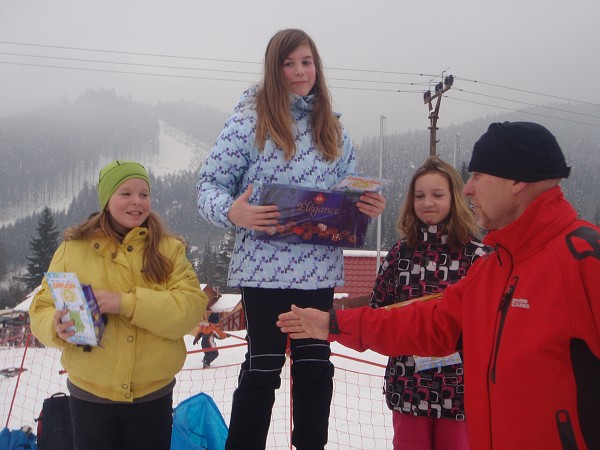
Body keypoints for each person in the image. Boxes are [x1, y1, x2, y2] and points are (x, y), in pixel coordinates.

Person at [278, 121, 600, 450]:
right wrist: (331, 322)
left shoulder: (585, 259)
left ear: (516, 180)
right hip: (411, 394)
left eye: (478, 175)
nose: (469, 188)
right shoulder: (494, 268)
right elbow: (426, 323)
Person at [196, 28, 385, 450]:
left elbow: (344, 201)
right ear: (274, 68)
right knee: (262, 368)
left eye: (306, 62)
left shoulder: (332, 130)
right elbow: (208, 185)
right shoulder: (250, 121)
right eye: (289, 63)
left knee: (315, 368)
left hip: (317, 269)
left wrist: (364, 207)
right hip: (262, 270)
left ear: (317, 67)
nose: (299, 72)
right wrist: (234, 211)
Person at [30, 160, 208, 450]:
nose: (137, 201)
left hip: (152, 397)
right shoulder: (73, 249)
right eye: (125, 193)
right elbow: (41, 308)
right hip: (90, 397)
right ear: (106, 199)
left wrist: (126, 303)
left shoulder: (169, 249)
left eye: (144, 193)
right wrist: (54, 325)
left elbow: (189, 310)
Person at [369, 155, 487, 450]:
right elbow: (378, 312)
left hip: (459, 387)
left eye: (437, 195)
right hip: (408, 384)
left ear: (455, 198)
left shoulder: (477, 256)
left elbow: (489, 323)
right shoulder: (399, 254)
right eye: (419, 196)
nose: (427, 203)